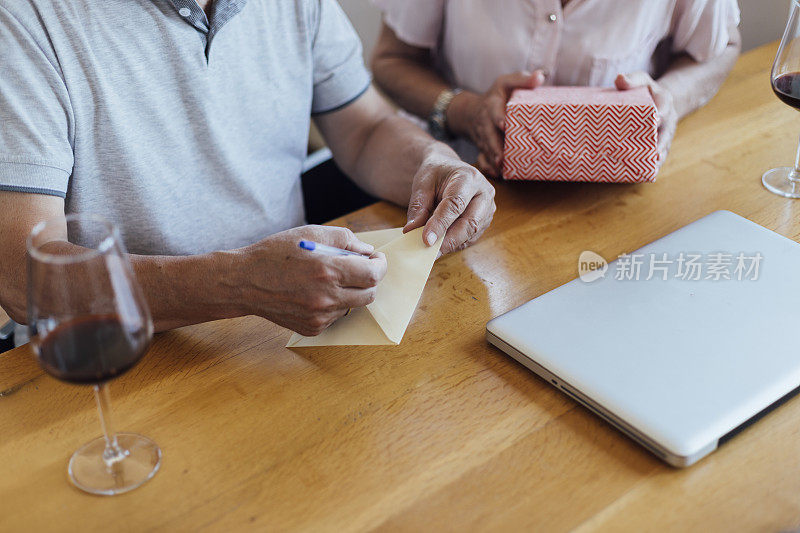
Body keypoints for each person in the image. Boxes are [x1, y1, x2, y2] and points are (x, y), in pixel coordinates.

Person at [0, 0, 496, 338]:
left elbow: (366, 129)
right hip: (115, 358)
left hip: (285, 332)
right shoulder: (23, 19)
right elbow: (22, 278)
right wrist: (237, 284)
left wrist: (434, 162)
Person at [370, 0, 742, 178]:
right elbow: (391, 60)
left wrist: (671, 96)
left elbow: (720, 46)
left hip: (617, 200)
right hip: (458, 176)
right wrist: (467, 112)